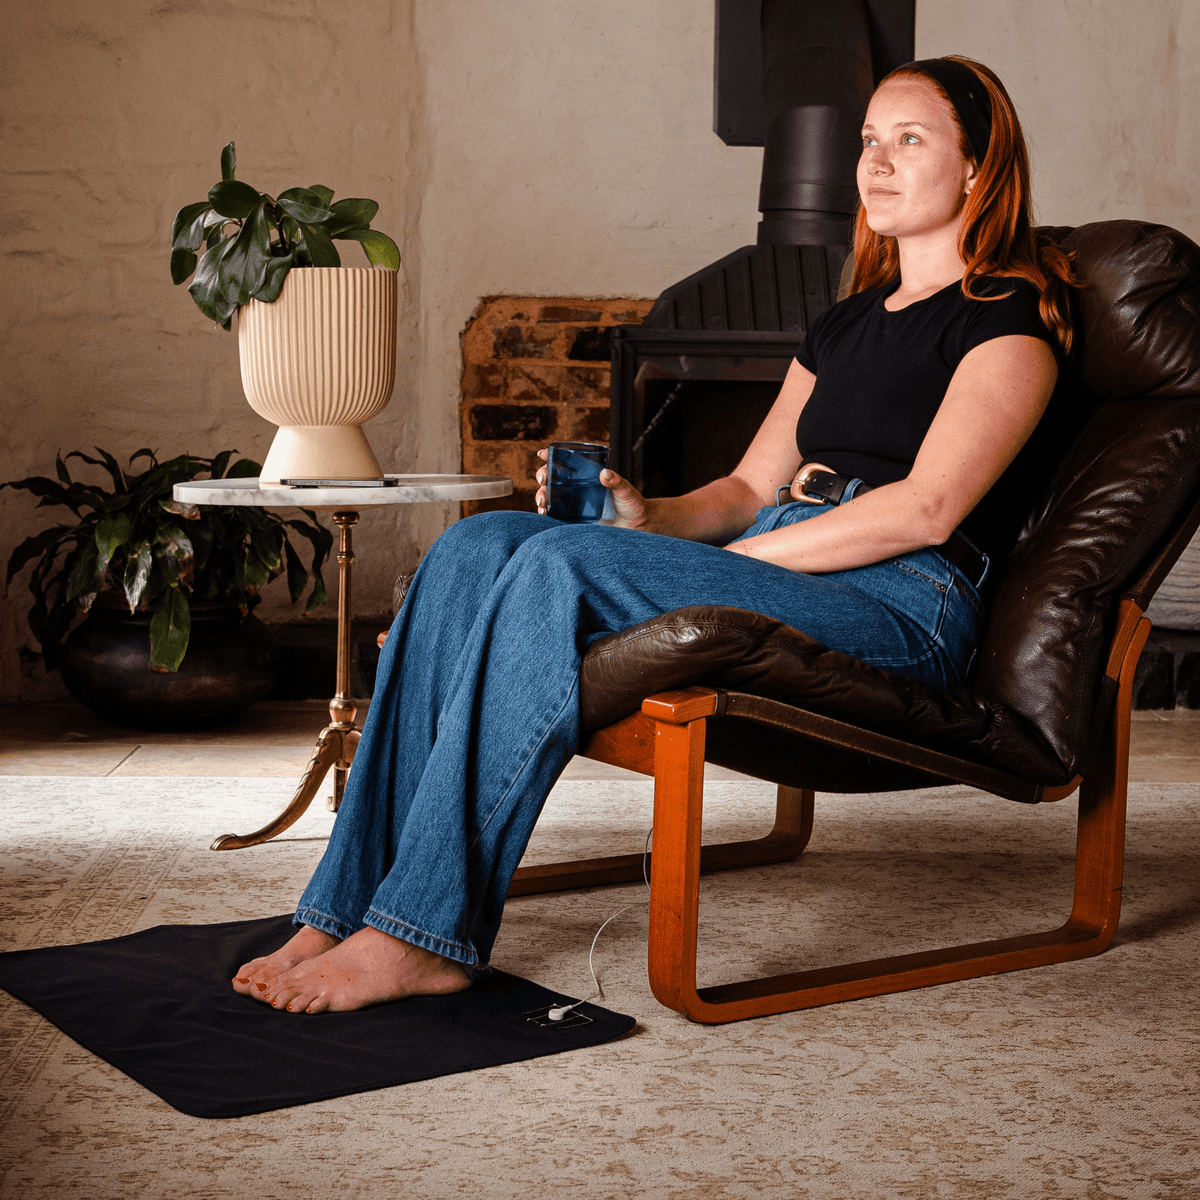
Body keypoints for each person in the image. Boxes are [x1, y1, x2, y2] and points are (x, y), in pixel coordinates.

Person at [233, 56, 1077, 1013]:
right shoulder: (843, 325)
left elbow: (927, 508)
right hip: (793, 557)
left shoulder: (1008, 318)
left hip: (900, 600)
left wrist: (735, 563)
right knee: (479, 546)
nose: (875, 163)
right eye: (868, 141)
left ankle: (422, 935)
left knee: (554, 567)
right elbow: (749, 486)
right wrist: (652, 522)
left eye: (910, 140)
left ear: (977, 166)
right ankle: (345, 907)